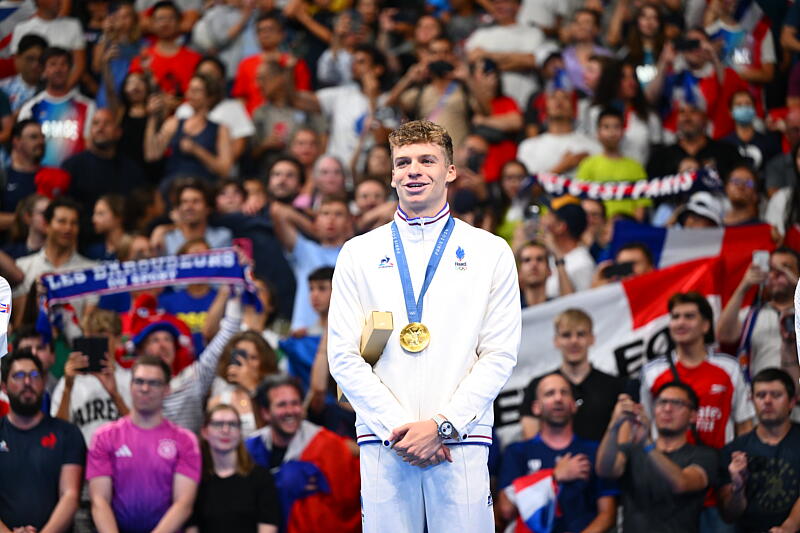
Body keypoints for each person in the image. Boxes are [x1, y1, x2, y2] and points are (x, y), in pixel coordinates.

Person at [328, 119, 521, 532]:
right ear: (392, 174)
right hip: (385, 442)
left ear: (450, 171)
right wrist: (401, 432)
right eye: (403, 162)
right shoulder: (357, 253)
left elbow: (499, 354)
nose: (414, 170)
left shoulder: (491, 252)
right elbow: (343, 357)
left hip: (461, 441)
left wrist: (442, 426)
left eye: (427, 160)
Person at [87, 355, 201, 533]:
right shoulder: (104, 436)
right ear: (130, 386)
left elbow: (183, 504)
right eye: (139, 381)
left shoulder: (185, 440)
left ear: (167, 389)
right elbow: (99, 500)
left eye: (154, 383)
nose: (145, 388)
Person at [498, 373, 618, 533]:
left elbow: (608, 515)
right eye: (549, 393)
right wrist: (554, 476)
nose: (558, 398)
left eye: (564, 392)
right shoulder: (517, 452)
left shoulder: (594, 451)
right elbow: (506, 510)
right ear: (536, 407)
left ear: (573, 405)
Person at [596, 381, 719, 532]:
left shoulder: (705, 455)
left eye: (677, 403)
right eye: (662, 402)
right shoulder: (633, 451)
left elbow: (681, 483)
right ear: (654, 409)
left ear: (693, 416)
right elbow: (604, 470)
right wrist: (614, 425)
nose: (667, 409)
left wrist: (647, 443)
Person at [245, 375, 360, 533]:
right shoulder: (252, 447)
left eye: (295, 403)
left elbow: (348, 503)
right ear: (265, 412)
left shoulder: (327, 445)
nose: (290, 411)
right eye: (282, 405)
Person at [641, 292, 755, 451]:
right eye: (675, 317)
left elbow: (744, 425)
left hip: (718, 467)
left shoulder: (730, 368)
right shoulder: (652, 371)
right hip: (666, 467)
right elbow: (644, 425)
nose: (680, 323)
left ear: (706, 325)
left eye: (689, 316)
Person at [0, 348, 85, 532]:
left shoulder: (67, 433)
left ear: (44, 382)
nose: (28, 382)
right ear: (4, 387)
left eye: (34, 375)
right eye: (19, 375)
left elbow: (70, 495)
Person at [519, 308, 624, 441]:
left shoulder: (615, 386)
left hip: (604, 461)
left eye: (580, 334)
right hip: (553, 462)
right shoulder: (538, 386)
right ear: (556, 341)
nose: (574, 341)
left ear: (592, 339)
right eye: (566, 335)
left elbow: (624, 440)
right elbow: (531, 442)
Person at [719, 368, 800, 532]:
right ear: (752, 401)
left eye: (776, 395)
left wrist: (789, 526)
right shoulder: (735, 450)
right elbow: (729, 515)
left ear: (792, 402)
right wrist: (738, 486)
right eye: (760, 395)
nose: (767, 401)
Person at [187, 404, 280, 533]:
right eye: (218, 424)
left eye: (232, 424)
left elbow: (268, 527)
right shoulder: (196, 481)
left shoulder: (261, 478)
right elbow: (192, 528)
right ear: (205, 432)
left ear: (240, 431)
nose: (226, 430)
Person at [270, 195, 350, 332]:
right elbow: (277, 211)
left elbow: (390, 210)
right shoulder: (305, 250)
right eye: (325, 214)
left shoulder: (356, 252)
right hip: (303, 333)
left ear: (349, 221)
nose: (331, 219)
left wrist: (357, 225)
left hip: (344, 332)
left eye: (338, 214)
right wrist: (312, 227)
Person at [51, 308, 131, 444]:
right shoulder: (70, 381)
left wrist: (115, 395)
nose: (96, 344)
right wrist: (68, 388)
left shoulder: (129, 379)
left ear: (117, 339)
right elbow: (57, 434)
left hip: (122, 458)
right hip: (82, 460)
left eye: (102, 338)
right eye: (91, 338)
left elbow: (141, 432)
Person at [13, 196, 96, 325]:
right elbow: (18, 322)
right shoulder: (22, 267)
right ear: (47, 225)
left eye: (73, 223)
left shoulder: (91, 271)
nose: (68, 228)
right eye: (62, 221)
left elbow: (88, 325)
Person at [718, 248, 800, 378]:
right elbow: (723, 336)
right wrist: (744, 286)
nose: (777, 273)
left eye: (786, 267)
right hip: (762, 392)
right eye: (772, 269)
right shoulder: (752, 316)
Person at [145, 72, 233, 186]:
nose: (190, 94)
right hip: (174, 186)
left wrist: (197, 150)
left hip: (204, 187)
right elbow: (152, 155)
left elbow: (225, 170)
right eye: (190, 89)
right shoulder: (174, 123)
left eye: (196, 90)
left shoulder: (220, 129)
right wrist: (152, 118)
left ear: (210, 97)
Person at [18, 46, 96, 167]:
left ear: (70, 69)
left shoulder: (87, 106)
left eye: (63, 64)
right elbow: (23, 147)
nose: (58, 69)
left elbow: (90, 147)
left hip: (76, 179)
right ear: (43, 71)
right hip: (40, 179)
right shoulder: (30, 108)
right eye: (52, 64)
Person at [63, 108, 147, 216]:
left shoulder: (131, 171)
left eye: (107, 123)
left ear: (118, 132)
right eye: (96, 123)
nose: (100, 128)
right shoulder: (72, 166)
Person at [464, 0, 544, 108]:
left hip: (525, 101)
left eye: (504, 2)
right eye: (495, 2)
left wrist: (488, 57)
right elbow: (472, 59)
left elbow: (532, 61)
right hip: (489, 106)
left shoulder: (532, 32)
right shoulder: (480, 34)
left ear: (518, 6)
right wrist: (516, 59)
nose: (499, 6)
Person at [232, 10, 312, 115]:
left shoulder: (295, 63)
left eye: (270, 29)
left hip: (287, 120)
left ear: (282, 34)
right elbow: (240, 99)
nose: (265, 34)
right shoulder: (246, 64)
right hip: (253, 121)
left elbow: (303, 95)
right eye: (260, 30)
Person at [576, 107, 650, 220]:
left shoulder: (635, 167)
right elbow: (582, 201)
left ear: (623, 132)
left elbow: (641, 205)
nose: (611, 132)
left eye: (616, 127)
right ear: (598, 132)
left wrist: (632, 227)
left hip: (627, 228)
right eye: (606, 127)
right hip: (597, 227)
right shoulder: (588, 165)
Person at [517, 81, 601, 178]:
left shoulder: (592, 146)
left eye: (565, 97)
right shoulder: (528, 147)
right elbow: (527, 189)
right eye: (553, 97)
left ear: (573, 107)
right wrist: (563, 166)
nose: (559, 101)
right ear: (545, 105)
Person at [207, 330, 279, 437]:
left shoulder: (276, 396)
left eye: (253, 357)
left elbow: (275, 433)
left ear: (264, 361)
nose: (246, 364)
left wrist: (251, 387)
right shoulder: (218, 400)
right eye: (241, 357)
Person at [128, 1, 201, 97]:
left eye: (170, 18)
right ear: (152, 23)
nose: (165, 23)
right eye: (160, 19)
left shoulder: (195, 59)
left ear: (179, 22)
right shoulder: (141, 60)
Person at [11, 0, 86, 89]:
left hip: (65, 91)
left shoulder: (73, 25)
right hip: (29, 92)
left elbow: (79, 65)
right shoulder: (21, 28)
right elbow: (18, 64)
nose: (59, 2)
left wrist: (61, 91)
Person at [154, 178, 233, 256]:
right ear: (178, 208)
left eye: (196, 201)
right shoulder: (167, 240)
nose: (189, 207)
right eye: (184, 202)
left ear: (208, 208)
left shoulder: (223, 237)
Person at [542, 200, 595, 297]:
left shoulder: (582, 263)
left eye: (549, 218)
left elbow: (584, 304)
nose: (543, 222)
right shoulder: (546, 256)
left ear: (560, 226)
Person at [0, 120, 45, 226]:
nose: (40, 141)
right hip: (8, 241)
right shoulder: (3, 176)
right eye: (33, 137)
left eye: (42, 137)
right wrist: (26, 220)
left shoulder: (52, 175)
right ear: (16, 141)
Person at [0, 33, 47, 112]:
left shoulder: (54, 90)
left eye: (40, 60)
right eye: (30, 59)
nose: (35, 65)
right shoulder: (2, 89)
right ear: (17, 58)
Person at [517, 241, 552, 308]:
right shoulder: (510, 311)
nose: (534, 265)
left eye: (539, 259)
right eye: (527, 260)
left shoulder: (558, 307)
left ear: (549, 270)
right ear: (519, 273)